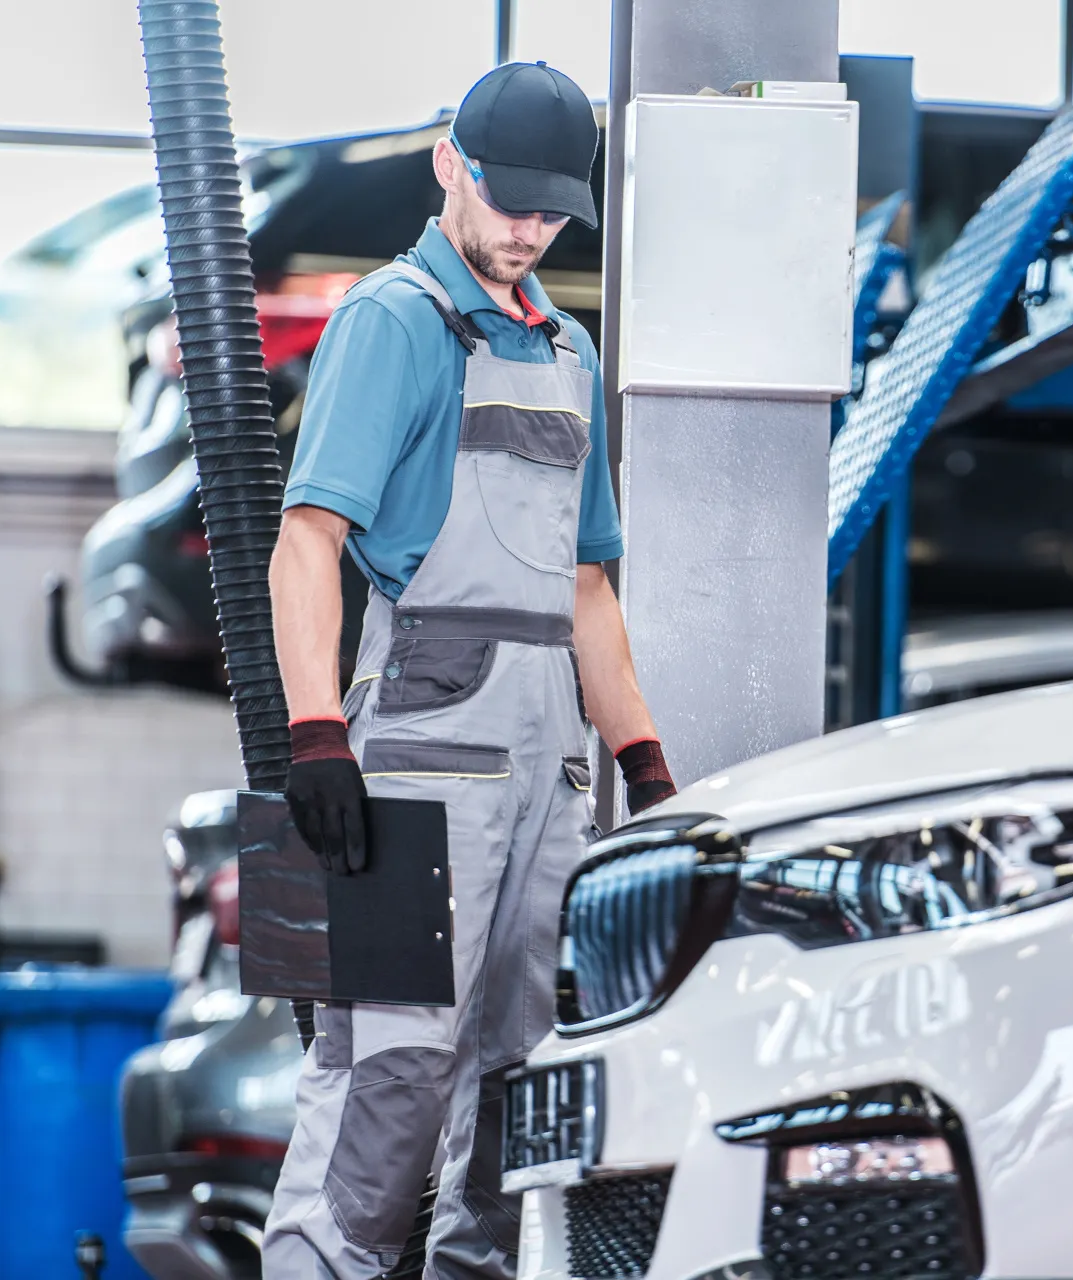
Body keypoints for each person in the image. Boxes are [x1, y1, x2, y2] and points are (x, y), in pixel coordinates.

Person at [261, 61, 676, 1278]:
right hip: (415, 770)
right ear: (452, 163)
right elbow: (309, 539)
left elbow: (588, 589)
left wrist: (648, 771)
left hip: (549, 770)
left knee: (521, 1092)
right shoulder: (394, 320)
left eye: (552, 211)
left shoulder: (568, 352)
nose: (528, 229)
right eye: (509, 201)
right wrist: (317, 734)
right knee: (384, 1080)